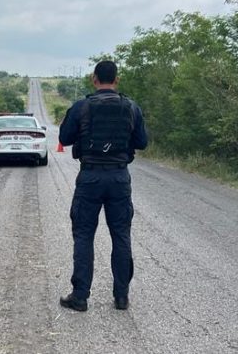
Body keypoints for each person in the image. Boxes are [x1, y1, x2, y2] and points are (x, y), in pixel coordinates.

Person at [58, 60, 147, 311]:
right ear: (116, 80)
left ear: (94, 79)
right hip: (119, 178)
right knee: (121, 235)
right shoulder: (131, 107)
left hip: (90, 178)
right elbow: (142, 142)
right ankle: (121, 296)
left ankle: (80, 296)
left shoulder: (82, 107)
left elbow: (64, 138)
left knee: (84, 235)